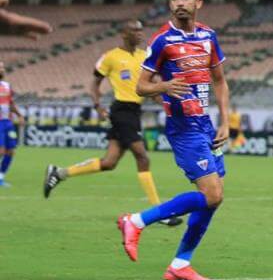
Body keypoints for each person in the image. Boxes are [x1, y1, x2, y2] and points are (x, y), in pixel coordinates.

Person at [115, 0, 231, 280]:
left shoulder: (209, 36)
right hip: (183, 129)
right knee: (212, 194)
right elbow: (140, 86)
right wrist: (165, 85)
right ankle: (137, 220)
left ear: (198, 3)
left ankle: (180, 264)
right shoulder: (162, 41)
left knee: (214, 198)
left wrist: (225, 120)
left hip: (207, 126)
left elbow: (219, 80)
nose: (179, 2)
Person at [42, 20, 182, 226]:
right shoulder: (111, 57)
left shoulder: (145, 56)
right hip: (121, 111)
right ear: (124, 33)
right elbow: (95, 83)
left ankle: (59, 173)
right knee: (142, 157)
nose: (140, 34)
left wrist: (166, 104)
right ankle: (159, 212)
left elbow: (149, 87)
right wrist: (97, 105)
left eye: (141, 30)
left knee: (109, 162)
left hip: (134, 112)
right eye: (135, 30)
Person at [0, 61, 23, 187]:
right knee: (1, 151)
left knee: (10, 151)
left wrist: (19, 115)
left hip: (7, 122)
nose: (2, 70)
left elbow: (11, 103)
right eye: (0, 68)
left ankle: (0, 177)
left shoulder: (7, 86)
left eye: (3, 67)